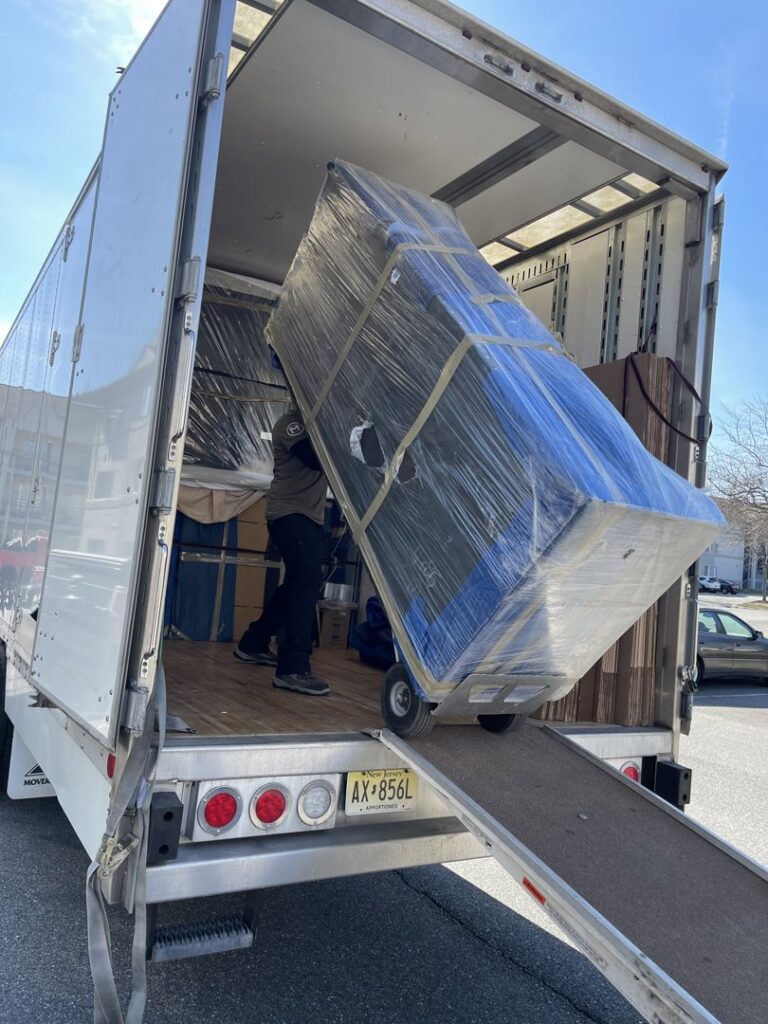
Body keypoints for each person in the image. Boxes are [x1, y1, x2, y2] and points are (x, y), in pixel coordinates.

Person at [234, 408, 330, 696]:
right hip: (289, 514)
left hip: (310, 517)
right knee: (307, 582)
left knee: (297, 584)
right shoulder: (290, 424)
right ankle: (292, 668)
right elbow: (315, 459)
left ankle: (253, 642)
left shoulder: (320, 424)